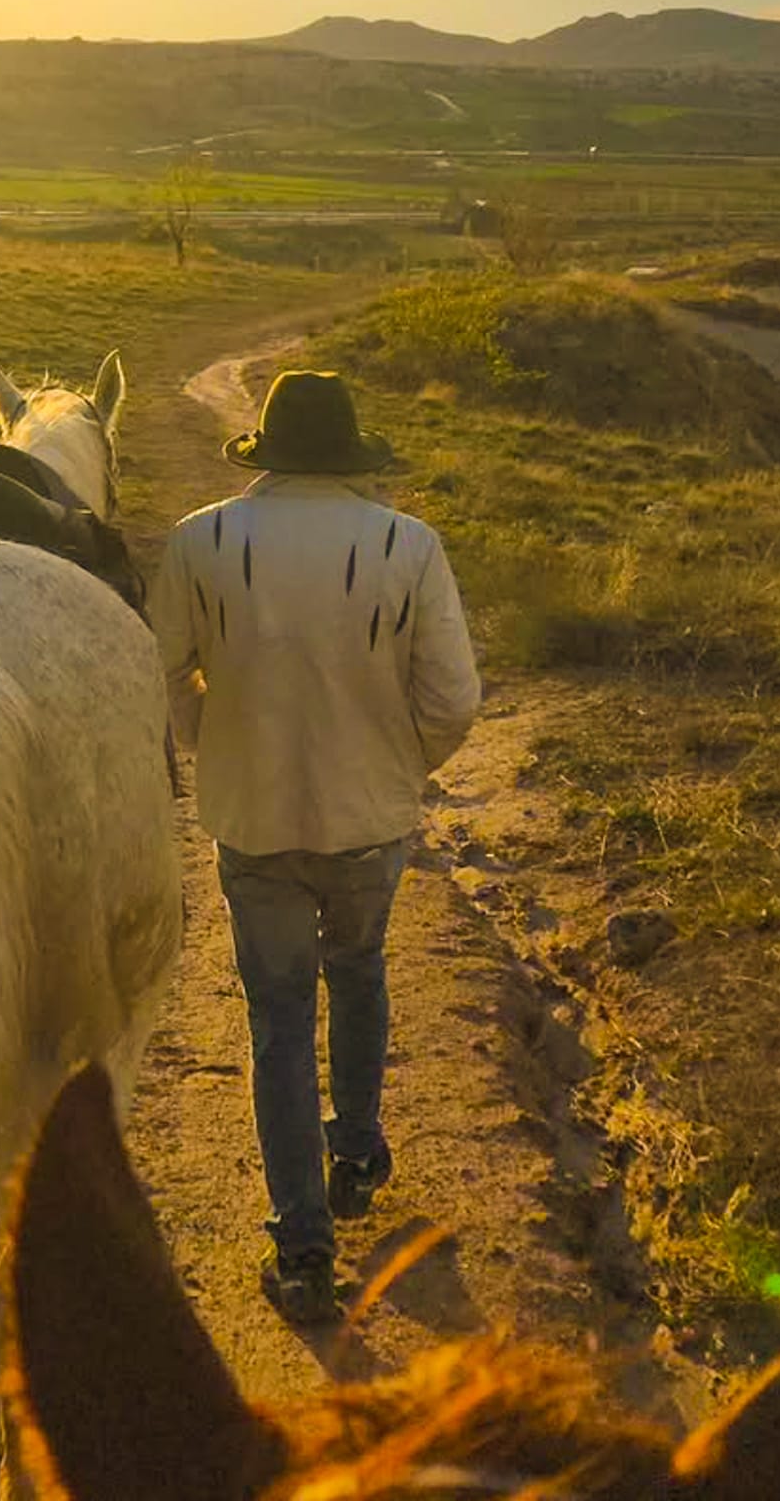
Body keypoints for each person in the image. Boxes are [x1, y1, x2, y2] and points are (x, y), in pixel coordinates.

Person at [150, 369, 481, 1324]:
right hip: (369, 819)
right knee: (363, 971)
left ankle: (301, 1248)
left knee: (279, 1021)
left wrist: (206, 738)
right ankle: (361, 1150)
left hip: (252, 821)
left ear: (267, 449)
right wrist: (398, 762)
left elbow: (162, 666)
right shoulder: (407, 545)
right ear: (351, 456)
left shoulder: (199, 540)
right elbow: (454, 699)